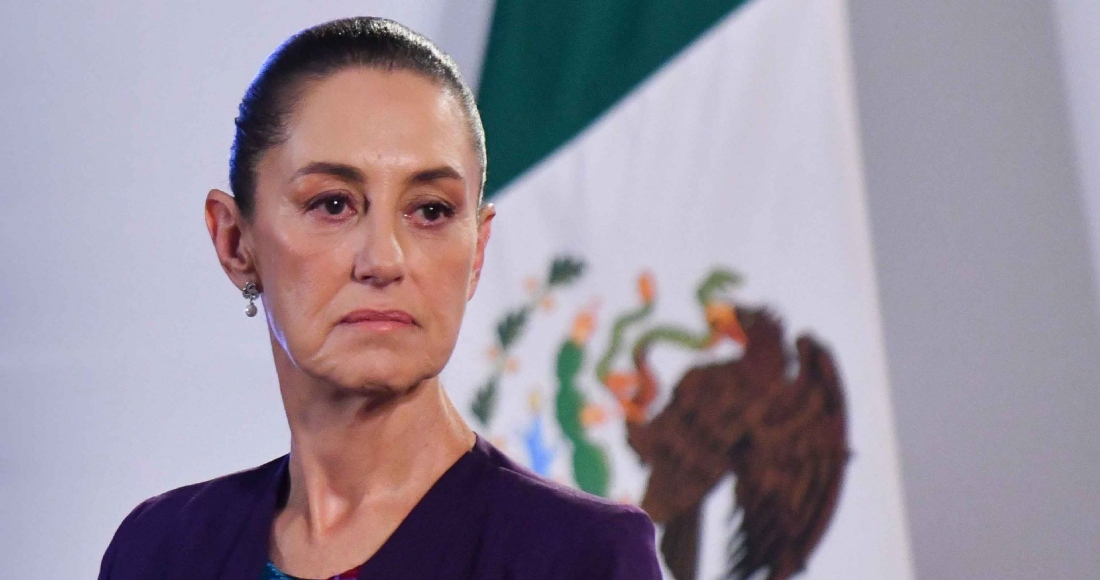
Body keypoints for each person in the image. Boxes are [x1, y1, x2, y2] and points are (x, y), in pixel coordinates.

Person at [96, 16, 661, 580]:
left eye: (431, 210)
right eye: (333, 204)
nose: (385, 260)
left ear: (477, 251)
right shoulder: (159, 552)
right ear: (235, 241)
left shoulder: (580, 557)